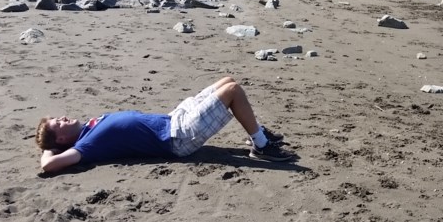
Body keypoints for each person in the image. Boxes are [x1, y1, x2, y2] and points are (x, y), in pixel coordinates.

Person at [35, 75, 294, 173]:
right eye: (59, 124)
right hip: (176, 138)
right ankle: (261, 145)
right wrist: (50, 148)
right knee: (233, 91)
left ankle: (257, 132)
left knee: (226, 80)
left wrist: (53, 137)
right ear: (61, 140)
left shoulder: (89, 128)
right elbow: (48, 166)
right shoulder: (85, 145)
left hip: (174, 118)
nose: (63, 118)